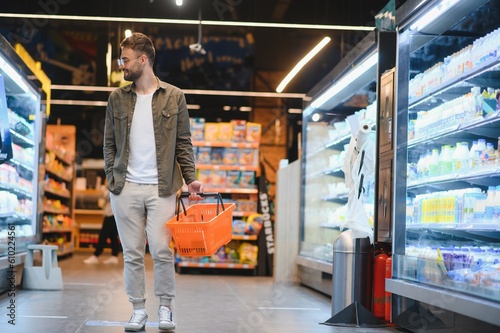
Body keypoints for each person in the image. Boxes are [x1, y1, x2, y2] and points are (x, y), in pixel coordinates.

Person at [103, 32, 203, 332]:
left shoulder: (174, 96)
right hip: (125, 188)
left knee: (161, 250)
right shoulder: (117, 98)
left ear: (143, 59)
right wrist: (111, 176)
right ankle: (137, 310)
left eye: (126, 60)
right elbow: (109, 143)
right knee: (132, 254)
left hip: (162, 188)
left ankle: (165, 308)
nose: (123, 66)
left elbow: (183, 143)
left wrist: (191, 179)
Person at [83, 187, 121, 265]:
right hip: (113, 212)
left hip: (111, 213)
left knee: (103, 235)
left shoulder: (115, 183)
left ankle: (96, 255)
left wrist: (106, 190)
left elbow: (108, 195)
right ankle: (114, 256)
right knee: (113, 235)